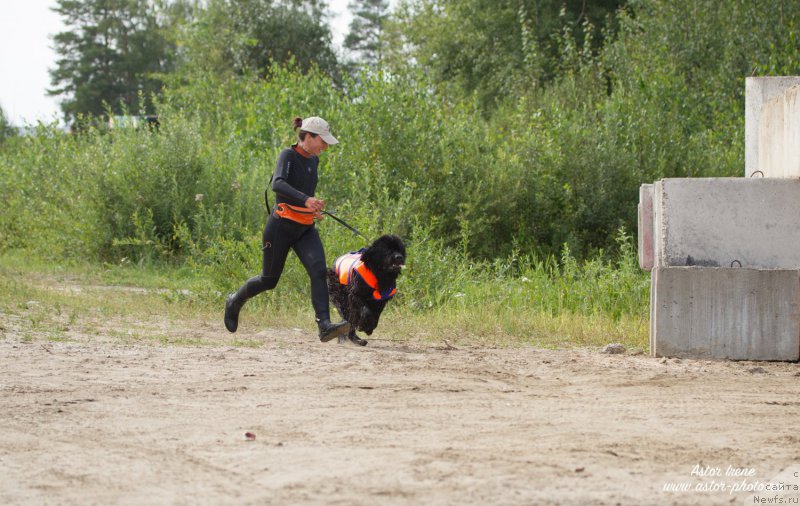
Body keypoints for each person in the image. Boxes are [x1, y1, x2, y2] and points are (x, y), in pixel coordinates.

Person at [224, 116, 351, 342]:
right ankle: (234, 300)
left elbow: (304, 193)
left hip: (304, 229)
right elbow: (278, 184)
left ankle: (324, 326)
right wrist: (306, 200)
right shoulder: (288, 156)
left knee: (319, 270)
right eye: (323, 141)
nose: (325, 146)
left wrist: (313, 209)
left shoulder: (314, 161)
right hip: (280, 227)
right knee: (268, 280)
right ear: (309, 136)